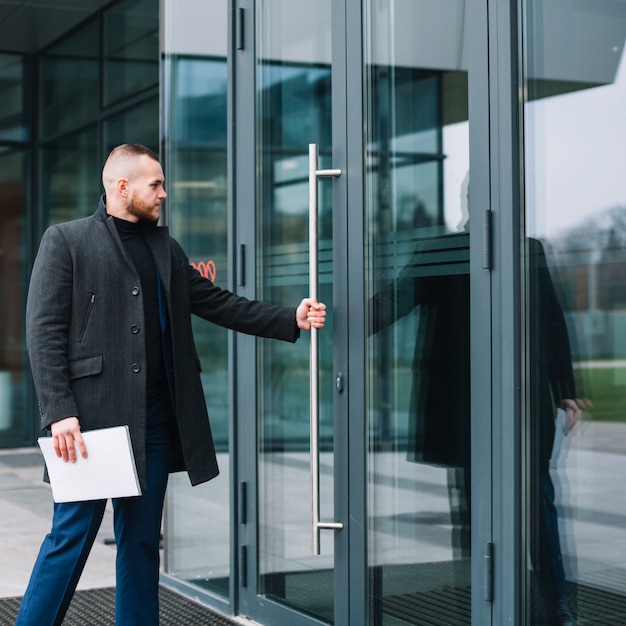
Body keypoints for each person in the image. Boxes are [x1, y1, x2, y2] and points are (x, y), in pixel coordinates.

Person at [16, 143, 326, 626]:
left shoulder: (165, 247)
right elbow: (43, 332)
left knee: (141, 543)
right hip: (89, 423)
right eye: (155, 184)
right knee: (70, 537)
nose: (165, 193)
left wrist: (291, 317)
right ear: (123, 187)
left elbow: (218, 302)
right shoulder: (67, 240)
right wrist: (59, 410)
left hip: (155, 422)